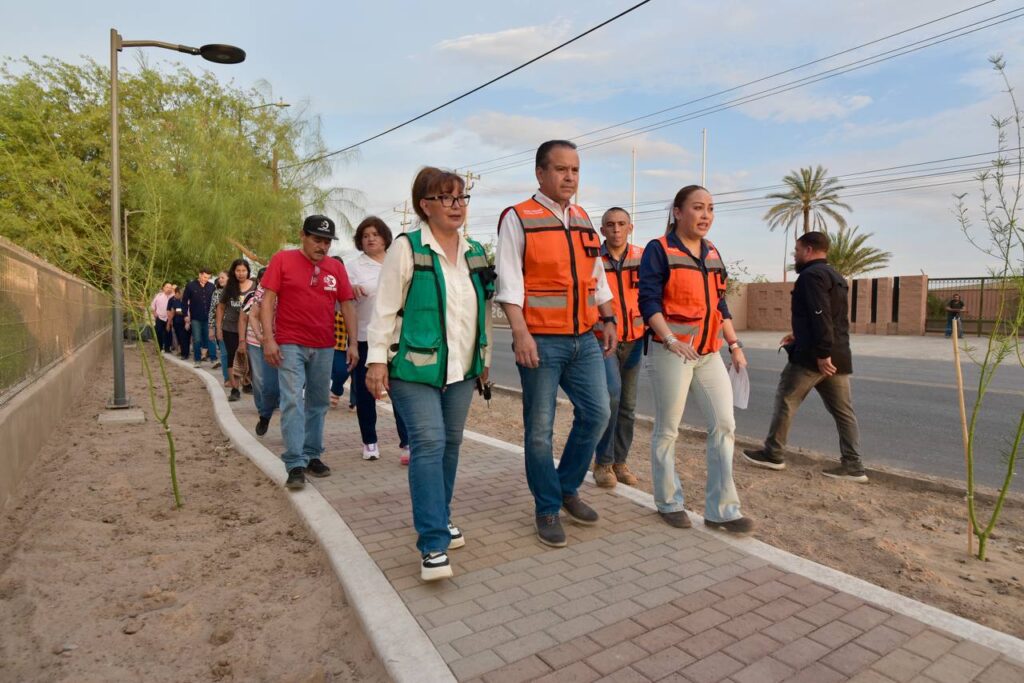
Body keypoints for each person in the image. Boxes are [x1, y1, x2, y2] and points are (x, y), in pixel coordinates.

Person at [365, 166, 494, 581]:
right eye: (447, 198)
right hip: (413, 367)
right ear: (426, 205)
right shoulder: (408, 248)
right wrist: (376, 361)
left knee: (451, 444)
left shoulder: (474, 250)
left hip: (461, 369)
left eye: (461, 198)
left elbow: (481, 309)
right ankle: (433, 542)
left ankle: (441, 513)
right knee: (430, 441)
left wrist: (485, 357)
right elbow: (385, 307)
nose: (457, 206)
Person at [495, 140, 617, 548]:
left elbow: (597, 275)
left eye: (575, 170)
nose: (570, 177)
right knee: (539, 431)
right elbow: (509, 282)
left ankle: (566, 487)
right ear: (540, 173)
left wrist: (609, 317)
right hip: (541, 341)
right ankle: (546, 506)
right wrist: (520, 332)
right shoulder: (518, 217)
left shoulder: (583, 218)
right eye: (561, 169)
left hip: (584, 336)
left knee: (598, 413)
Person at [639, 184, 753, 533]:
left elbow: (720, 304)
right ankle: (668, 501)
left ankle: (723, 509)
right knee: (668, 429)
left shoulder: (713, 253)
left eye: (711, 209)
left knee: (725, 425)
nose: (705, 216)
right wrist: (670, 339)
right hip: (672, 351)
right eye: (698, 208)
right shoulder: (659, 249)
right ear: (677, 211)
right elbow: (649, 302)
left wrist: (734, 345)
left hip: (708, 352)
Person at [743, 231, 869, 482]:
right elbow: (832, 318)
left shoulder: (811, 276)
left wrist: (821, 353)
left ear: (809, 250)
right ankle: (853, 465)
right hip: (839, 355)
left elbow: (820, 314)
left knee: (786, 399)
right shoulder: (836, 276)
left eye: (797, 250)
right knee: (844, 412)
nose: (796, 255)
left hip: (813, 358)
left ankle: (773, 454)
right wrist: (798, 335)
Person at [260, 215, 358, 490]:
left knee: (318, 403)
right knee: (292, 400)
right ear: (302, 235)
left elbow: (348, 304)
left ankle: (313, 454)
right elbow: (268, 300)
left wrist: (352, 343)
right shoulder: (282, 260)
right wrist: (269, 339)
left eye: (327, 242)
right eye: (317, 239)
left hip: (324, 345)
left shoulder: (335, 269)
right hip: (290, 342)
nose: (323, 246)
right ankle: (294, 463)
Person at [347, 217, 411, 463]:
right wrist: (350, 290)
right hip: (365, 337)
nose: (371, 238)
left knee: (401, 392)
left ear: (385, 236)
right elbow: (343, 306)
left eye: (375, 234)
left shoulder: (399, 261)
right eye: (365, 235)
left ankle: (407, 444)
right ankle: (369, 441)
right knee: (365, 393)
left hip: (396, 338)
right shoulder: (353, 268)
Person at [592, 207, 644, 489]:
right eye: (610, 225)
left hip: (635, 339)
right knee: (611, 398)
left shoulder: (643, 257)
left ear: (630, 228)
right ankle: (603, 462)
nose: (616, 229)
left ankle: (620, 462)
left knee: (628, 407)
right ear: (603, 230)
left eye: (621, 224)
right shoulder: (593, 259)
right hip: (603, 340)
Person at [239, 270, 279, 437]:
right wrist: (261, 336)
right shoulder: (263, 290)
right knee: (268, 386)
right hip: (267, 344)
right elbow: (252, 316)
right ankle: (265, 414)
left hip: (292, 343)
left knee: (293, 389)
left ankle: (293, 436)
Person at [216, 259, 255, 401]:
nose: (241, 274)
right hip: (230, 328)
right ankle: (234, 388)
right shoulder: (229, 287)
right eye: (238, 271)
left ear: (248, 271)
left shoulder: (255, 287)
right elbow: (220, 307)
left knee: (249, 357)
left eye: (243, 270)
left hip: (250, 328)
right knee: (232, 357)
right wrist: (218, 328)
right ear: (234, 272)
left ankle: (247, 382)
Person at [181, 268, 217, 368]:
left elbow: (215, 303)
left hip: (209, 318)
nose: (206, 279)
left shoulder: (212, 286)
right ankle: (197, 360)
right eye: (205, 277)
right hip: (195, 318)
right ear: (200, 275)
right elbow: (184, 302)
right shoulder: (190, 286)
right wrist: (185, 315)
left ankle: (213, 360)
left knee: (211, 338)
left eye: (208, 278)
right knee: (197, 339)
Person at [329, 256, 351, 409]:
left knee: (345, 371)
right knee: (338, 371)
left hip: (348, 341)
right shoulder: (324, 288)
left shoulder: (348, 288)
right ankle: (336, 390)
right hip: (329, 341)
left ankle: (339, 391)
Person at [209, 271, 229, 378]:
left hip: (235, 327)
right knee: (224, 353)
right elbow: (212, 311)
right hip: (220, 326)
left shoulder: (237, 292)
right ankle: (227, 378)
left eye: (222, 277)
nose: (220, 279)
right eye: (219, 277)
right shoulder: (216, 293)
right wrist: (211, 328)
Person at [167, 286, 190, 359]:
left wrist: (180, 311)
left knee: (185, 339)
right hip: (177, 323)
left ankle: (185, 354)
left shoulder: (187, 301)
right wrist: (169, 323)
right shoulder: (175, 301)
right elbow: (173, 312)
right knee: (180, 338)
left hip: (186, 322)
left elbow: (183, 311)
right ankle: (184, 353)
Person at [150, 282, 174, 353]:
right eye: (167, 287)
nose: (169, 289)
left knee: (168, 333)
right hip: (160, 317)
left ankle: (167, 348)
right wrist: (154, 313)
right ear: (163, 288)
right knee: (159, 333)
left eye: (170, 287)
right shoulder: (158, 296)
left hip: (169, 318)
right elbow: (152, 306)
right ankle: (159, 348)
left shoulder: (173, 297)